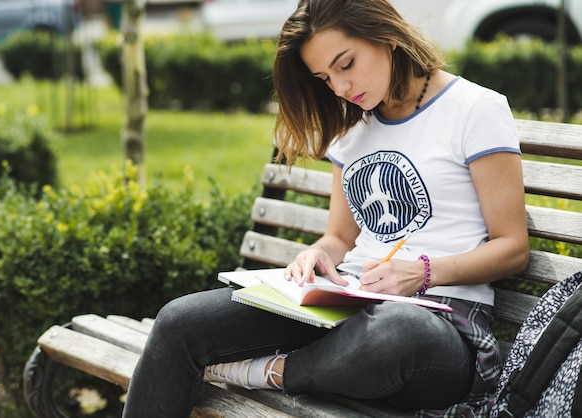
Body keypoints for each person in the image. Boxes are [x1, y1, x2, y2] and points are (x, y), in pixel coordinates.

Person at [122, 0, 530, 416]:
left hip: (440, 325)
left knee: (396, 332)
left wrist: (424, 272)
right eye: (325, 77)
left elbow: (512, 247)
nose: (340, 88)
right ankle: (319, 363)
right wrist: (317, 254)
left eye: (346, 64)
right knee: (178, 323)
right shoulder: (354, 126)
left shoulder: (475, 109)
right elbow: (340, 238)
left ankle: (273, 371)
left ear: (387, 36)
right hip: (348, 306)